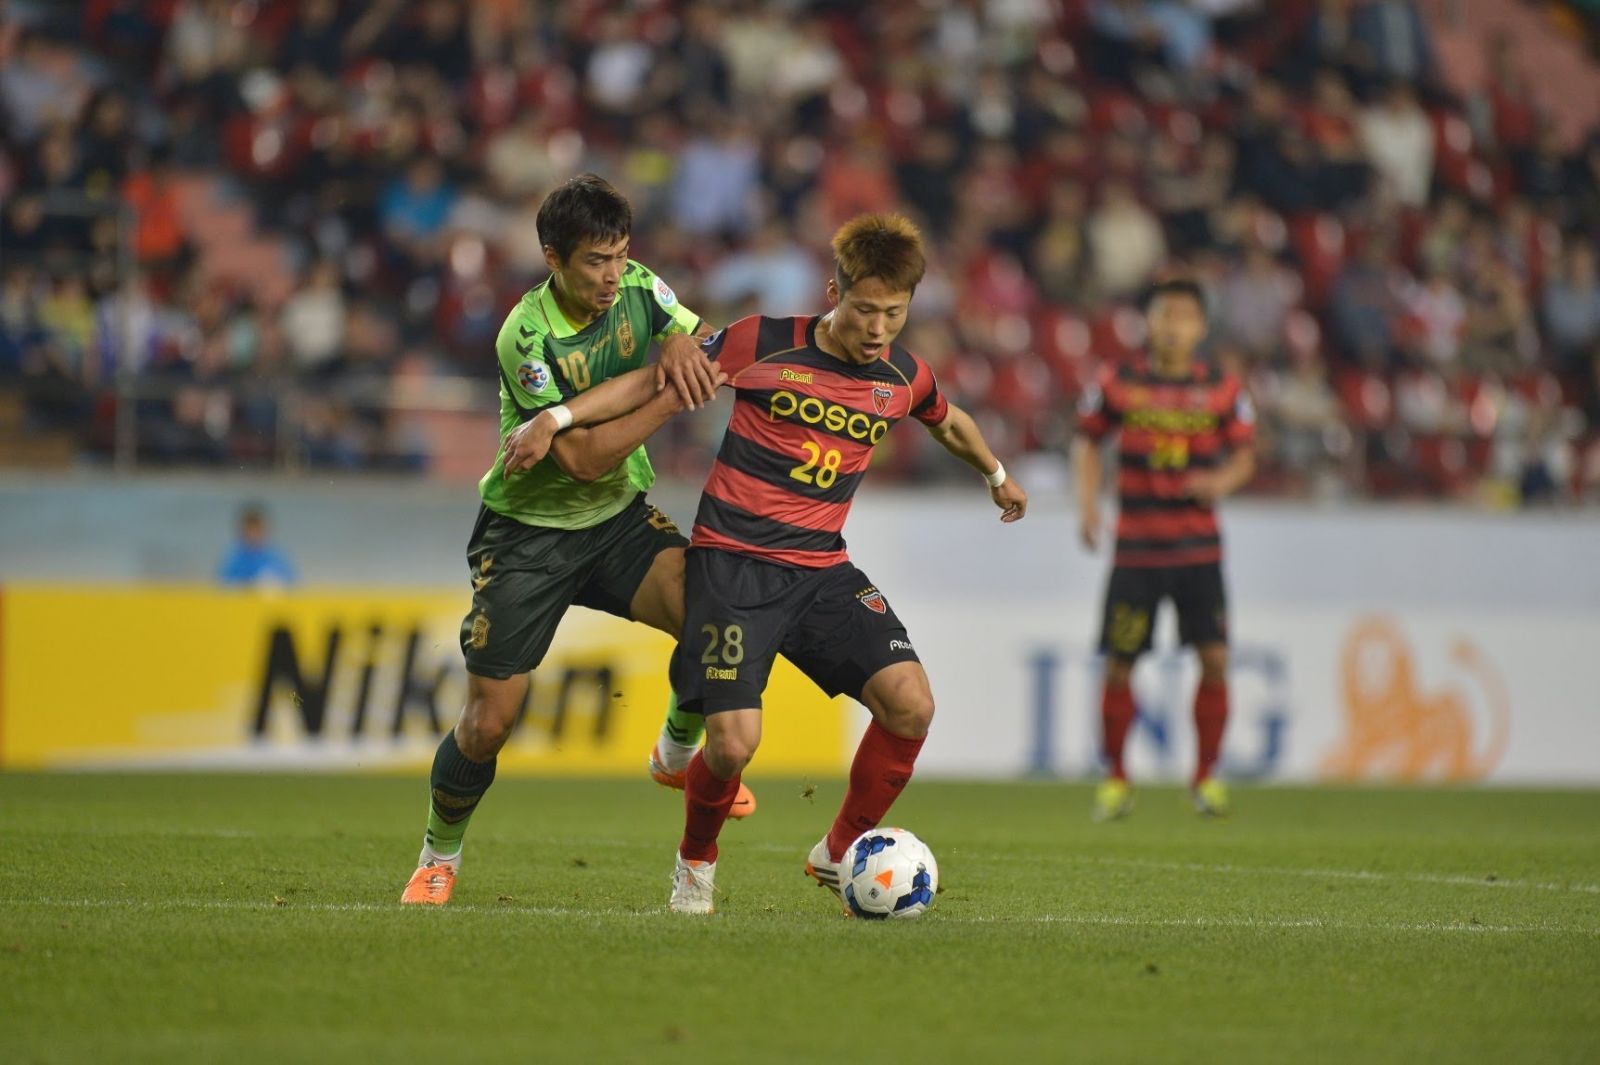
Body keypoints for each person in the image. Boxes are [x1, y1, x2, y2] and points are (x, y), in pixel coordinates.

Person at [507, 214, 1029, 915]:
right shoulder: (761, 342)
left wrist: (996, 472)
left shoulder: (903, 375)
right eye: (865, 309)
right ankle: (695, 864)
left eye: (895, 314)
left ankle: (840, 847)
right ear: (833, 291)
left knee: (912, 705)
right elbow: (655, 382)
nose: (878, 329)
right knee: (733, 745)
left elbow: (949, 418)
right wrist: (558, 419)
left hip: (821, 569)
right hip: (733, 567)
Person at [400, 173, 752, 906]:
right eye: (597, 260)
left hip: (617, 521)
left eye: (622, 255)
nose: (613, 274)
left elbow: (693, 338)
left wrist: (672, 352)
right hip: (527, 535)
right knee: (488, 722)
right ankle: (438, 854)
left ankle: (675, 750)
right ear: (552, 257)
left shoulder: (640, 286)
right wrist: (666, 392)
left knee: (718, 617)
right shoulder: (523, 336)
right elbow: (588, 460)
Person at [1072, 279, 1256, 821]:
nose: (1172, 326)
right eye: (1163, 315)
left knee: (1216, 659)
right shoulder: (1118, 381)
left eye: (1183, 317)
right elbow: (1087, 439)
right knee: (1121, 664)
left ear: (1200, 327)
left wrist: (1221, 482)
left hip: (1199, 551)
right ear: (1148, 323)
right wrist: (1088, 506)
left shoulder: (1223, 387)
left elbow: (1245, 455)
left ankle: (1206, 777)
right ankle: (1115, 778)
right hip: (1137, 550)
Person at [216, 503, 296, 587]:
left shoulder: (275, 557)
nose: (252, 535)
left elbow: (291, 582)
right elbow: (221, 583)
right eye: (249, 531)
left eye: (256, 530)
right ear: (242, 532)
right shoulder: (233, 559)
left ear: (264, 530)